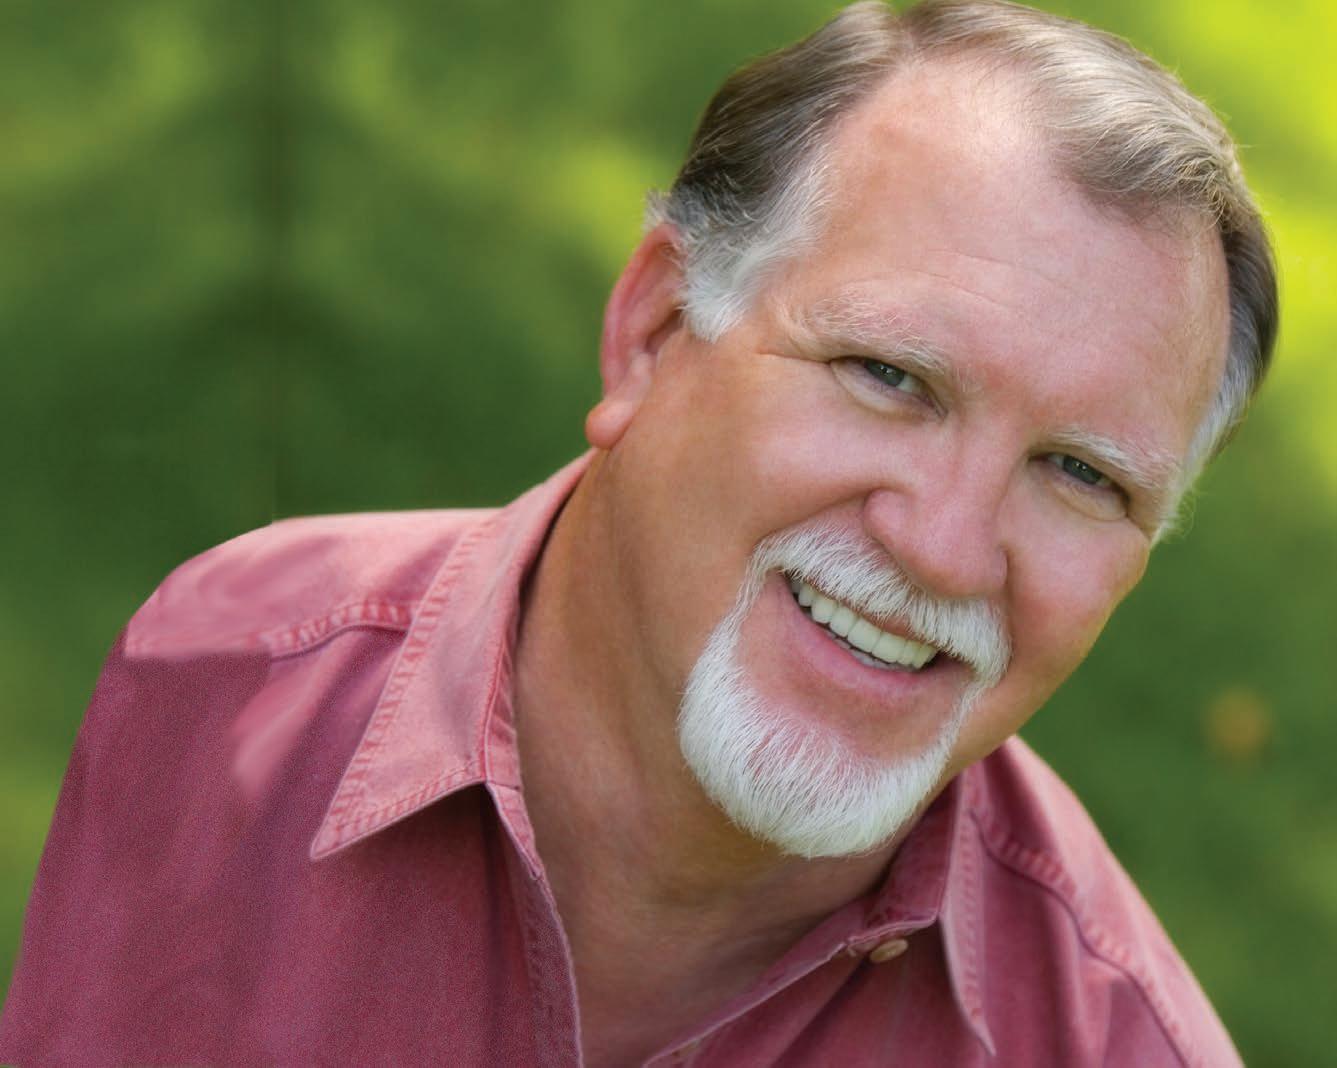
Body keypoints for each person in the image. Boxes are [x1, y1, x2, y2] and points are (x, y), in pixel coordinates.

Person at [0, 1, 1277, 1064]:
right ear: (657, 328)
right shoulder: (222, 683)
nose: (943, 549)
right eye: (889, 376)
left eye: (1078, 474)